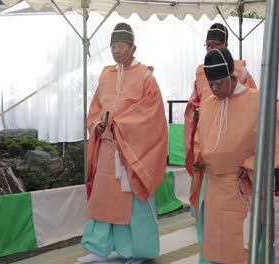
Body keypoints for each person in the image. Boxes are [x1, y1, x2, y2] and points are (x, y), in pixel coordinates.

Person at [78, 22, 168, 264]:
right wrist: (97, 123)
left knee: (133, 204)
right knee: (104, 200)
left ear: (133, 47)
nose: (116, 51)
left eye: (121, 45)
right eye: (113, 46)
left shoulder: (146, 77)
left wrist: (122, 124)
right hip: (108, 148)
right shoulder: (106, 75)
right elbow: (95, 108)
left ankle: (138, 250)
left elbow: (152, 114)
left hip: (133, 152)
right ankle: (101, 247)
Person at [192, 47, 279, 264]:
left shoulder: (258, 101)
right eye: (210, 84)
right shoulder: (208, 103)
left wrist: (251, 164)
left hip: (244, 186)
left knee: (242, 245)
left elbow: (272, 143)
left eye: (218, 83)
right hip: (213, 186)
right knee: (214, 242)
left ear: (232, 77)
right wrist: (200, 156)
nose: (213, 89)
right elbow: (200, 140)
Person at [184, 23, 257, 179]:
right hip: (209, 134)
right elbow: (195, 100)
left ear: (225, 45)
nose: (215, 88)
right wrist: (197, 110)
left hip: (237, 143)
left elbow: (252, 110)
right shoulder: (201, 72)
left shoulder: (240, 71)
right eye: (208, 45)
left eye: (215, 44)